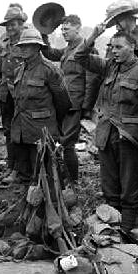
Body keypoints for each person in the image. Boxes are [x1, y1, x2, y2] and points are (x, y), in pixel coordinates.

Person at [77, 28, 138, 232]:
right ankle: (110, 228)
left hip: (128, 138)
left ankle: (126, 230)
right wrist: (94, 35)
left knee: (129, 189)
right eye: (111, 47)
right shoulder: (109, 67)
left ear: (132, 47)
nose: (114, 51)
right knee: (109, 187)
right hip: (106, 135)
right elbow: (80, 56)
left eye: (119, 47)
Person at [9, 27, 72, 184]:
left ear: (38, 47)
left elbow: (63, 103)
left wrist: (51, 127)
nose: (23, 49)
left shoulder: (50, 70)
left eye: (27, 45)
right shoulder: (19, 70)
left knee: (44, 179)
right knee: (24, 179)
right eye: (21, 46)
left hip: (41, 134)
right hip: (21, 134)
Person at [39, 14, 95, 181]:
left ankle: (72, 181)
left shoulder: (87, 48)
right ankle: (67, 179)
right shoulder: (68, 49)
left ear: (78, 28)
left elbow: (92, 80)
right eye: (62, 29)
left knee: (67, 143)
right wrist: (44, 33)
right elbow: (49, 53)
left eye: (67, 29)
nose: (63, 32)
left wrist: (86, 107)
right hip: (65, 103)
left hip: (76, 104)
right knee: (64, 143)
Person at [0, 4, 27, 181]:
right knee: (7, 130)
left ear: (21, 24)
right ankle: (10, 166)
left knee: (19, 131)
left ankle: (19, 171)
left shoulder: (28, 41)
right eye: (7, 25)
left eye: (13, 24)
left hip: (22, 93)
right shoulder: (4, 42)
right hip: (6, 93)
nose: (10, 28)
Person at [101, 0, 138, 70]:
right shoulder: (114, 39)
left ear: (128, 18)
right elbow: (107, 67)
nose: (116, 26)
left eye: (118, 20)